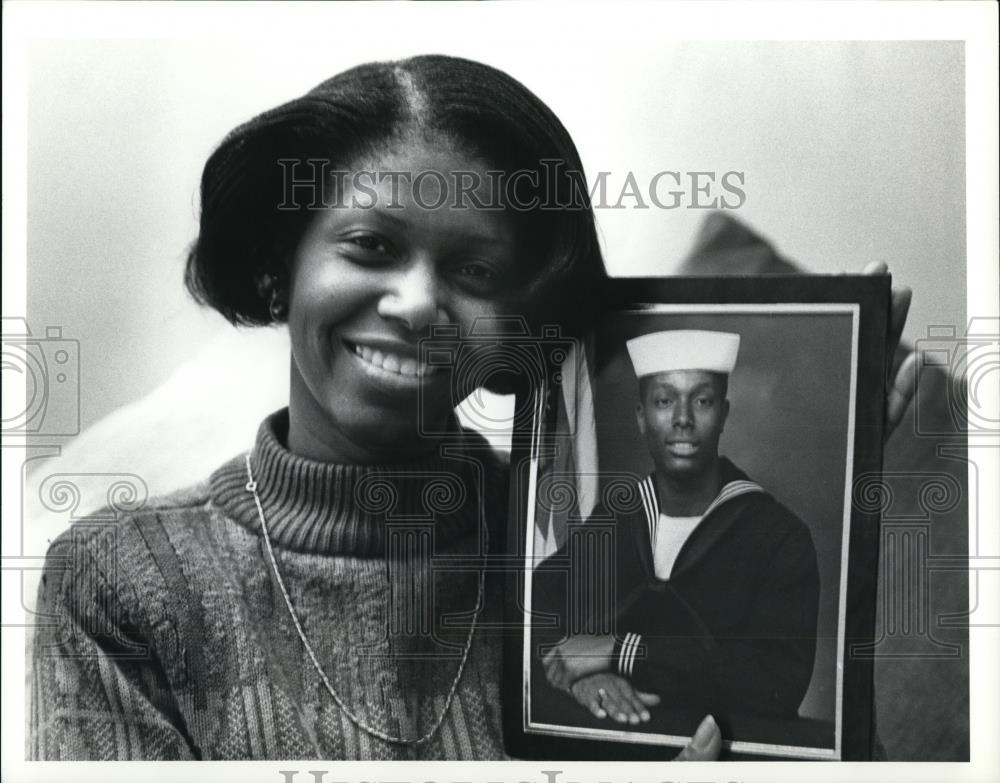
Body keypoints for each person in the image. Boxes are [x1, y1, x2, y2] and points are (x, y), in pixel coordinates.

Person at [29, 55, 727, 761]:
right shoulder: (117, 582)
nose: (418, 302)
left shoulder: (579, 548)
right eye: (371, 245)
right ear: (281, 263)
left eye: (475, 271)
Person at [540, 329, 820, 728]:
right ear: (641, 416)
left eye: (702, 401)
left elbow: (777, 682)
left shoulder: (778, 537)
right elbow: (536, 610)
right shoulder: (616, 518)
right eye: (664, 401)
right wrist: (583, 678)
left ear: (723, 414)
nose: (683, 419)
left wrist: (625, 652)